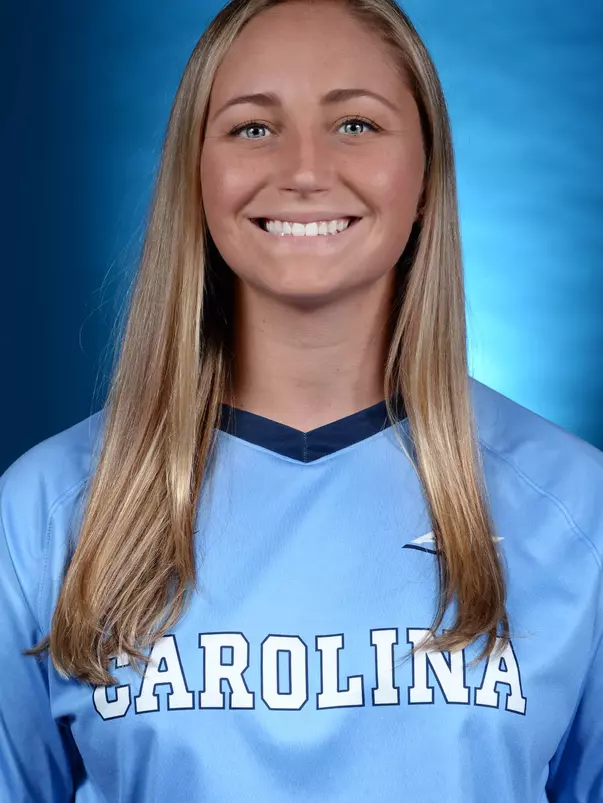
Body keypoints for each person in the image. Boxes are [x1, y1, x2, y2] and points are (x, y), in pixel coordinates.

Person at [1, 0, 601, 799]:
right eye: (253, 128)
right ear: (197, 175)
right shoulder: (47, 510)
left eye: (355, 123)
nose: (305, 169)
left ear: (425, 174)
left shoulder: (574, 506)